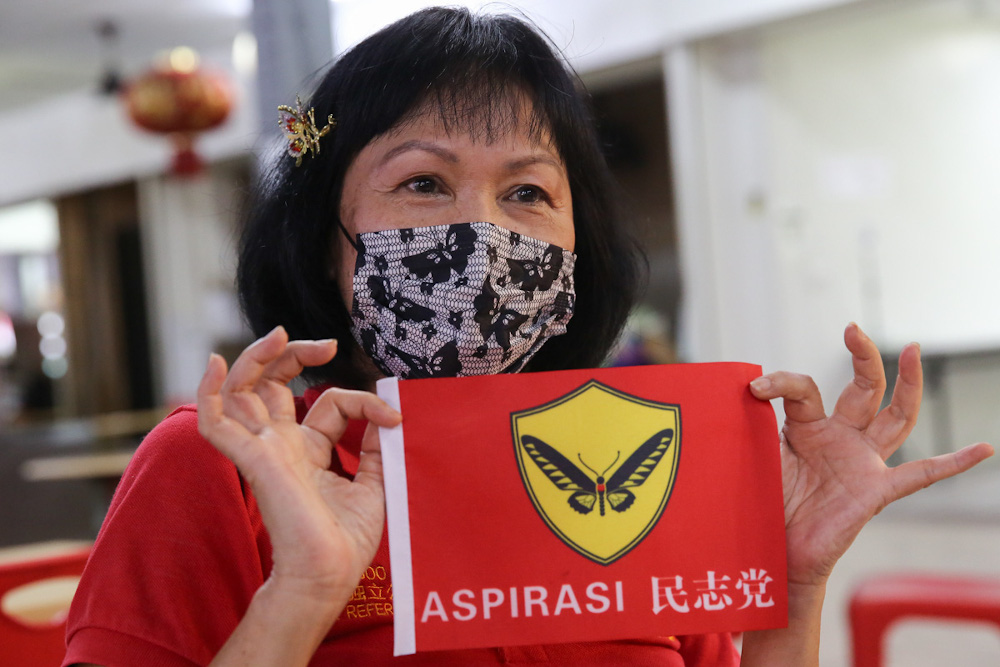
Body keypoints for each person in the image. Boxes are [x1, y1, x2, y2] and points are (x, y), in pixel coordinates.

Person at [63, 7, 993, 666]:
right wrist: (304, 590)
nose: (481, 231)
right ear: (322, 234)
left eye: (527, 193)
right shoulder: (221, 466)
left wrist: (789, 585)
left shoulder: (639, 451)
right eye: (423, 182)